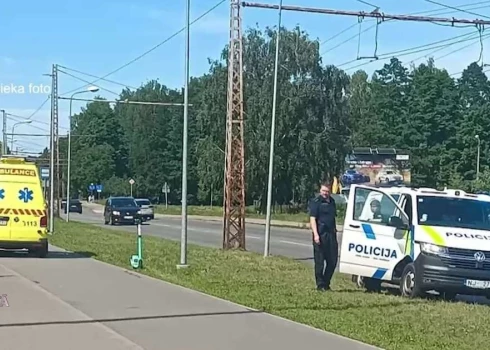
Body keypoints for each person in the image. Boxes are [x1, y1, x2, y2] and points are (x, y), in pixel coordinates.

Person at [309, 182, 338, 291]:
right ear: (320, 191)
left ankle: (326, 283)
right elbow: (312, 219)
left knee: (332, 261)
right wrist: (316, 235)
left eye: (327, 191)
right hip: (320, 234)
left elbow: (333, 218)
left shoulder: (332, 202)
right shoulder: (316, 202)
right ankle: (320, 284)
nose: (325, 193)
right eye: (323, 191)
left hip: (331, 234)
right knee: (320, 262)